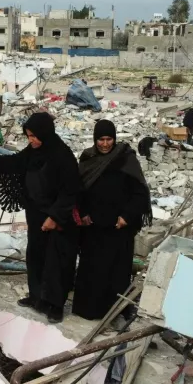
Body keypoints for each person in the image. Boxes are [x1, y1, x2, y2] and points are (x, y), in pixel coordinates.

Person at [0, 112, 81, 323]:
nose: (31, 140)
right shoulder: (32, 152)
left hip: (57, 218)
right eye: (28, 136)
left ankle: (55, 306)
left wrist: (54, 217)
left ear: (45, 133)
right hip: (36, 214)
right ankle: (37, 297)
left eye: (35, 136)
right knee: (36, 256)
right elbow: (17, 163)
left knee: (57, 261)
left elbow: (70, 191)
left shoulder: (62, 156)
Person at [73, 120, 151, 322]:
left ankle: (115, 313)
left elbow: (140, 193)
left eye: (109, 139)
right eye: (101, 139)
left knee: (116, 272)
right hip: (94, 228)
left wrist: (126, 217)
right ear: (95, 139)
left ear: (114, 139)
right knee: (92, 271)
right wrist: (83, 213)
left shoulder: (126, 158)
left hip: (118, 229)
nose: (105, 144)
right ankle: (89, 311)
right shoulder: (88, 157)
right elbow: (78, 190)